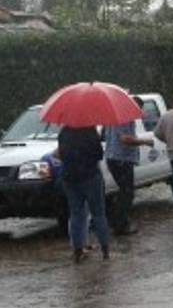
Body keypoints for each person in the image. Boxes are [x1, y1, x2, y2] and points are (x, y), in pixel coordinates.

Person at [57, 123, 110, 263]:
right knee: (98, 213)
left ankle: (77, 250)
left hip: (70, 177)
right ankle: (105, 250)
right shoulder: (90, 131)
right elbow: (99, 154)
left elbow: (60, 154)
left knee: (75, 213)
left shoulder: (64, 132)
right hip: (91, 176)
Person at [102, 95, 154, 235]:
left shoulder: (113, 117)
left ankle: (116, 222)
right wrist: (145, 142)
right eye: (139, 109)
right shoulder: (125, 118)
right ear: (134, 106)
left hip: (113, 158)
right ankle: (121, 224)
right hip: (122, 159)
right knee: (127, 193)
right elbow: (125, 139)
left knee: (123, 192)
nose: (139, 112)